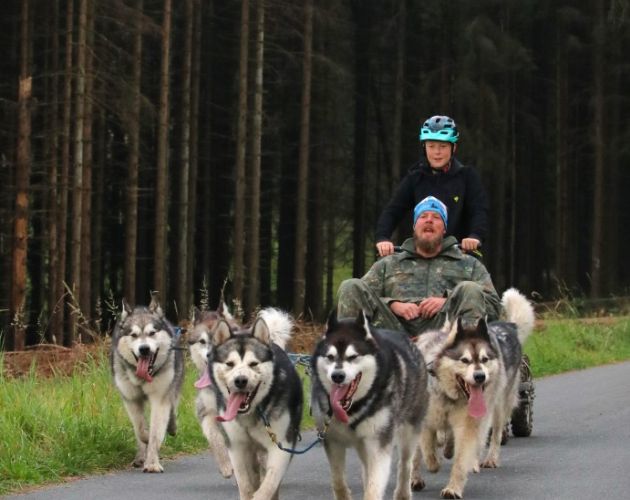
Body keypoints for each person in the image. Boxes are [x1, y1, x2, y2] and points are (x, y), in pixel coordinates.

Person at [338, 196, 500, 336]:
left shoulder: (469, 264)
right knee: (350, 285)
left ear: (444, 229)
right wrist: (392, 304)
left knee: (470, 288)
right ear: (415, 226)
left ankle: (469, 362)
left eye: (436, 217)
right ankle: (345, 358)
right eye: (423, 216)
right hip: (393, 337)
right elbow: (362, 296)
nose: (429, 220)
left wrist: (449, 300)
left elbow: (494, 308)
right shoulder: (388, 264)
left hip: (447, 338)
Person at [375, 115, 489, 258]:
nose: (437, 152)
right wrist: (383, 238)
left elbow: (479, 210)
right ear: (424, 147)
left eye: (443, 146)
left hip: (459, 256)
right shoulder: (415, 177)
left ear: (453, 148)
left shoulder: (467, 177)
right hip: (420, 254)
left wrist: (475, 236)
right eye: (431, 146)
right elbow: (393, 210)